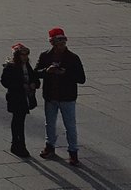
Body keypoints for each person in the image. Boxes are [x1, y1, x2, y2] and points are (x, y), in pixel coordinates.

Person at [35, 27, 86, 166]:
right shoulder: (45, 55)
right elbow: (36, 72)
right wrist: (47, 71)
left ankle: (73, 152)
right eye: (59, 43)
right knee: (49, 123)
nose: (62, 46)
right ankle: (49, 146)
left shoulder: (73, 58)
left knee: (70, 126)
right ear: (52, 43)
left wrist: (65, 73)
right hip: (51, 96)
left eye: (63, 42)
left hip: (67, 97)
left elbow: (81, 78)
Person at [1, 43, 40, 158]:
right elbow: (5, 82)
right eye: (22, 55)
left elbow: (34, 78)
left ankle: (19, 144)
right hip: (16, 98)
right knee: (18, 121)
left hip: (25, 98)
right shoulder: (10, 66)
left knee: (20, 120)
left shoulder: (27, 65)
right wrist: (21, 86)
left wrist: (34, 84)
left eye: (26, 55)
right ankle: (18, 144)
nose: (25, 57)